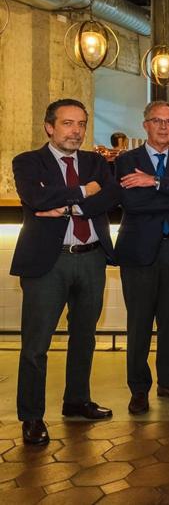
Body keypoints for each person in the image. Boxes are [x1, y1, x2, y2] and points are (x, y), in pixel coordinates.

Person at [11, 99, 118, 445]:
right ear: (50, 127)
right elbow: (35, 198)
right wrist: (84, 192)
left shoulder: (95, 162)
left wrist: (64, 202)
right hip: (48, 262)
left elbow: (110, 199)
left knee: (85, 336)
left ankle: (76, 400)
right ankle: (32, 416)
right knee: (36, 345)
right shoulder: (28, 162)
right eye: (68, 123)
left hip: (91, 258)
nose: (76, 131)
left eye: (81, 124)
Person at [116, 101, 169, 414]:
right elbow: (132, 203)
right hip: (139, 252)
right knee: (139, 323)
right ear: (145, 124)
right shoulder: (127, 161)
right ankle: (139, 389)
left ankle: (168, 381)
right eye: (157, 121)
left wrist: (154, 183)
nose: (164, 127)